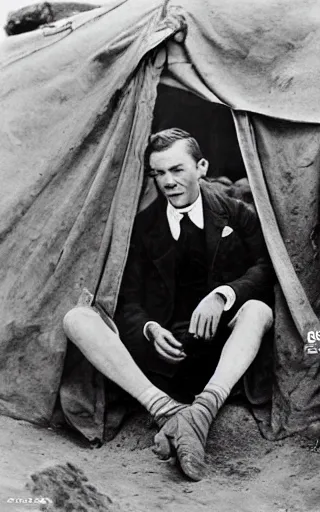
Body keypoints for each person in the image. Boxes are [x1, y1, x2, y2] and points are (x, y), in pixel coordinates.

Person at [62, 128, 275, 481]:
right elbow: (127, 298)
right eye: (158, 173)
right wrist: (149, 328)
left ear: (202, 167)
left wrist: (224, 294)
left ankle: (203, 408)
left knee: (259, 312)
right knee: (76, 318)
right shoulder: (143, 227)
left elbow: (268, 270)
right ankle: (170, 412)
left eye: (177, 170)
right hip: (160, 361)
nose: (168, 182)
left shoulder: (238, 214)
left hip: (220, 354)